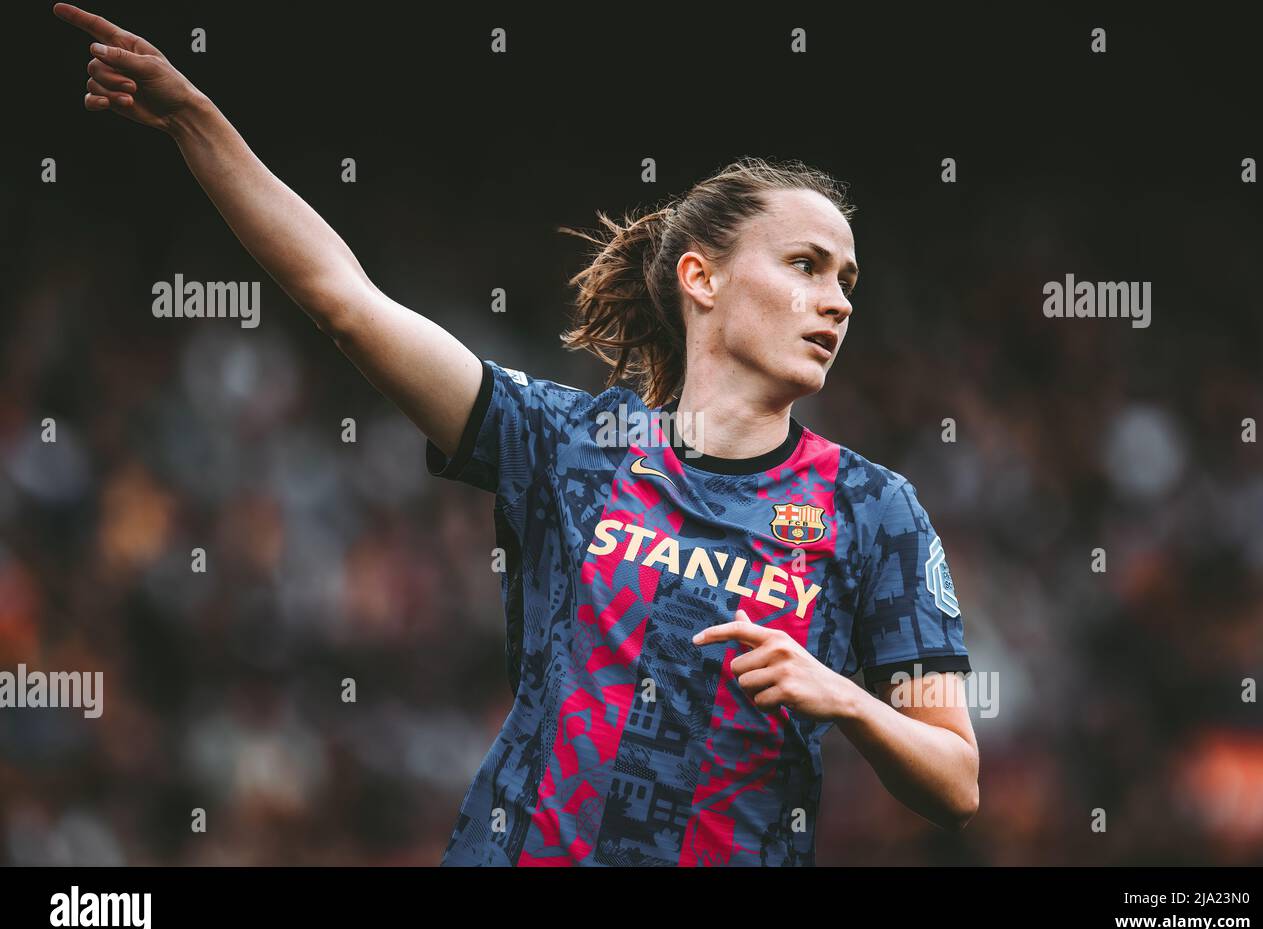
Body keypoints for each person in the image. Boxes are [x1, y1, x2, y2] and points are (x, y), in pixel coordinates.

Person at [55, 3, 979, 866]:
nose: (836, 302)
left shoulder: (871, 508)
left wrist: (845, 696)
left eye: (847, 282)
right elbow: (346, 303)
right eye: (807, 266)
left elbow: (955, 779)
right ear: (702, 278)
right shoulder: (570, 442)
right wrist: (194, 121)